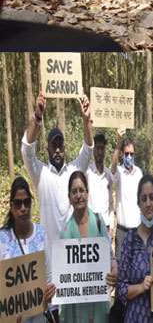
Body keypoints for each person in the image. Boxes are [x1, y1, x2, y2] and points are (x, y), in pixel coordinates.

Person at [21, 91, 94, 262]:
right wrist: (37, 117)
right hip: (49, 255)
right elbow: (26, 150)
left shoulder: (73, 172)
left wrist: (86, 120)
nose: (58, 149)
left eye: (60, 144)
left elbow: (88, 149)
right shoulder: (40, 173)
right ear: (47, 148)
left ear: (64, 147)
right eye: (54, 145)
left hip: (74, 253)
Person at [60, 171, 117, 323]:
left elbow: (110, 257)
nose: (78, 195)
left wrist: (114, 269)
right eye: (74, 192)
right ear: (69, 198)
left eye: (81, 190)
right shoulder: (64, 232)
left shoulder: (99, 222)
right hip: (75, 310)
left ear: (87, 193)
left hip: (98, 305)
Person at [117, 174, 153, 323]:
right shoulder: (129, 240)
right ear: (138, 203)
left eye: (152, 197)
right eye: (144, 199)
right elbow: (121, 289)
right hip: (134, 317)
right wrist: (142, 287)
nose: (148, 203)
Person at [0, 177, 56, 323]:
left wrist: (50, 292)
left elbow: (49, 276)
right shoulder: (2, 239)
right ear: (11, 207)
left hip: (39, 317)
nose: (23, 208)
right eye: (18, 204)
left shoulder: (41, 234)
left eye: (27, 202)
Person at [111, 133, 143, 262]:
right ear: (122, 155)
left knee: (137, 267)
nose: (129, 156)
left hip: (137, 231)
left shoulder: (139, 173)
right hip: (122, 231)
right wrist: (118, 144)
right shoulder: (118, 172)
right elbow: (111, 170)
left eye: (131, 154)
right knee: (120, 267)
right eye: (126, 154)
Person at [87, 132, 114, 233]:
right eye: (97, 148)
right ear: (93, 150)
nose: (99, 152)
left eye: (102, 148)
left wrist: (111, 226)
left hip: (106, 226)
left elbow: (111, 203)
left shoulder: (109, 175)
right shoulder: (87, 172)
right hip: (90, 226)